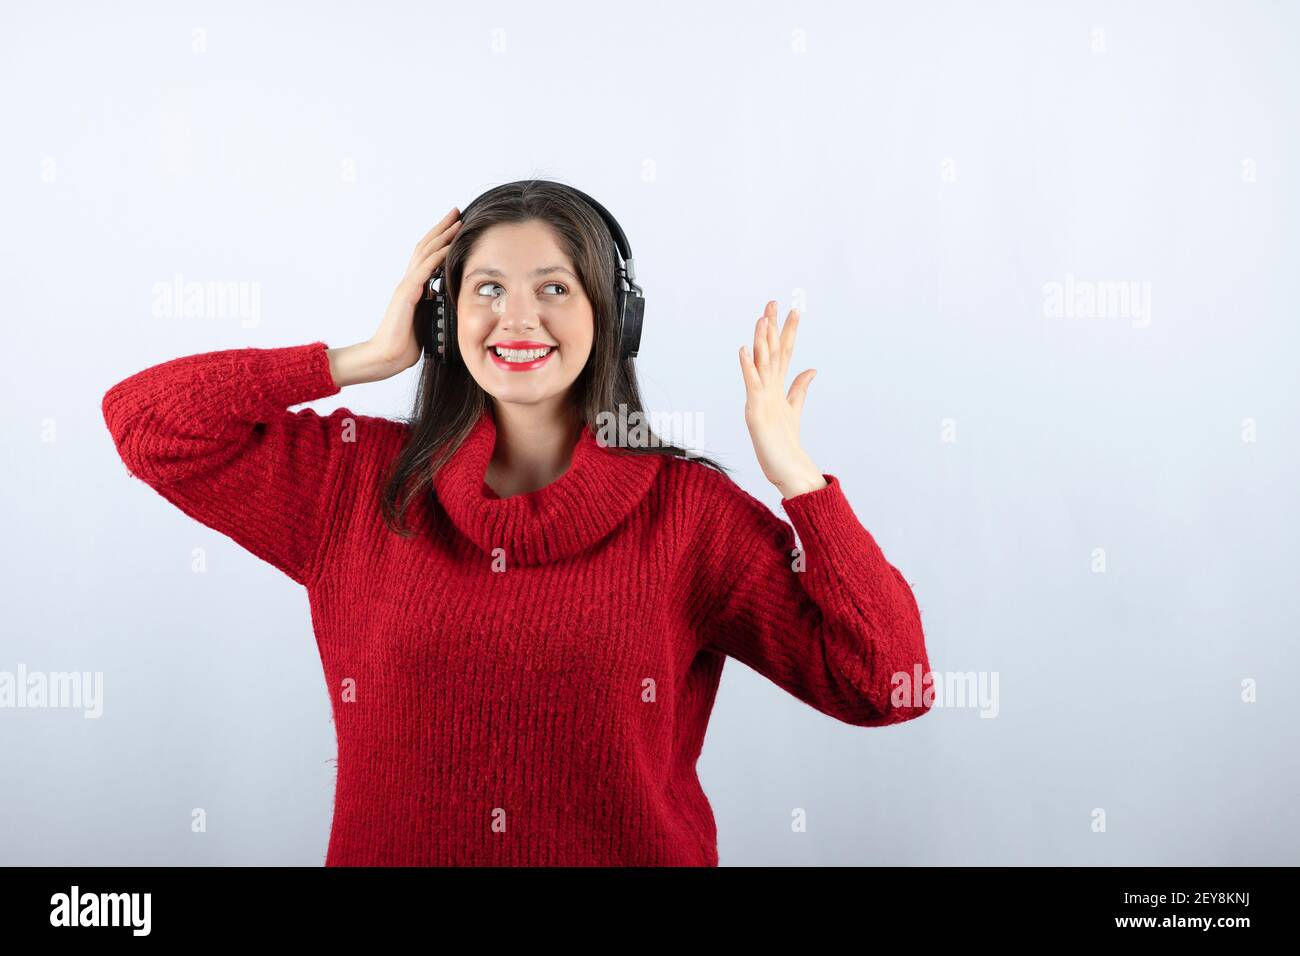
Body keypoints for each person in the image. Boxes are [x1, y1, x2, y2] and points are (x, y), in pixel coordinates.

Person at [101, 179, 934, 866]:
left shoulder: (688, 517)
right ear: (442, 319)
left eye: (556, 289)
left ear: (613, 319)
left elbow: (886, 683)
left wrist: (801, 482)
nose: (518, 318)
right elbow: (146, 422)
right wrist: (356, 359)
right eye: (487, 288)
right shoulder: (358, 482)